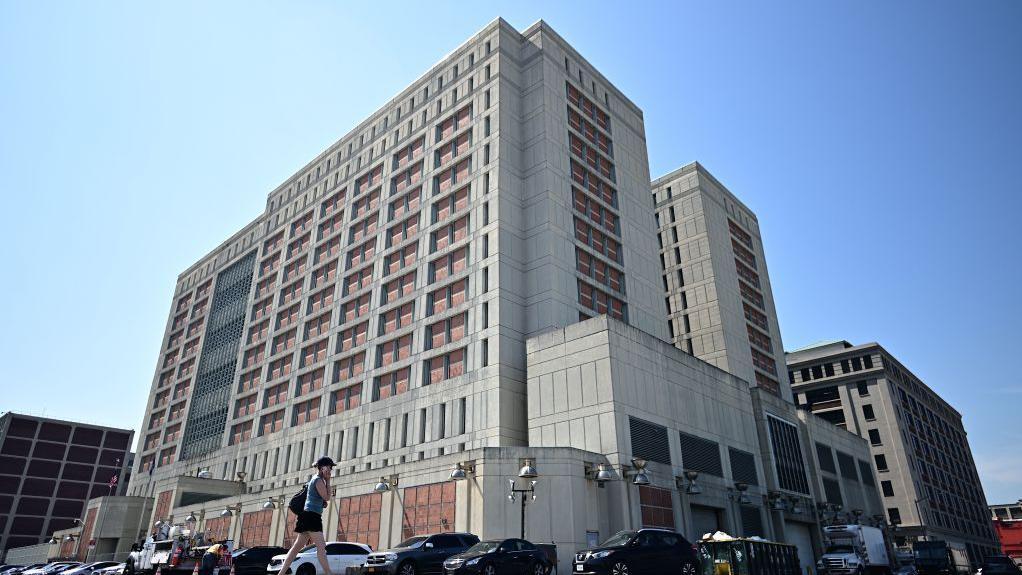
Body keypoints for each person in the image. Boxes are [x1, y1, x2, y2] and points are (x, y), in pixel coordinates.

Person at [276, 456, 335, 575]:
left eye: (330, 468)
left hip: (308, 515)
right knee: (321, 547)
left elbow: (320, 498)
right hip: (311, 517)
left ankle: (281, 573)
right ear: (322, 468)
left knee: (296, 548)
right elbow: (327, 497)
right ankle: (328, 573)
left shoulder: (315, 480)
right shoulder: (318, 480)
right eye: (329, 467)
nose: (330, 470)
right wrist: (328, 481)